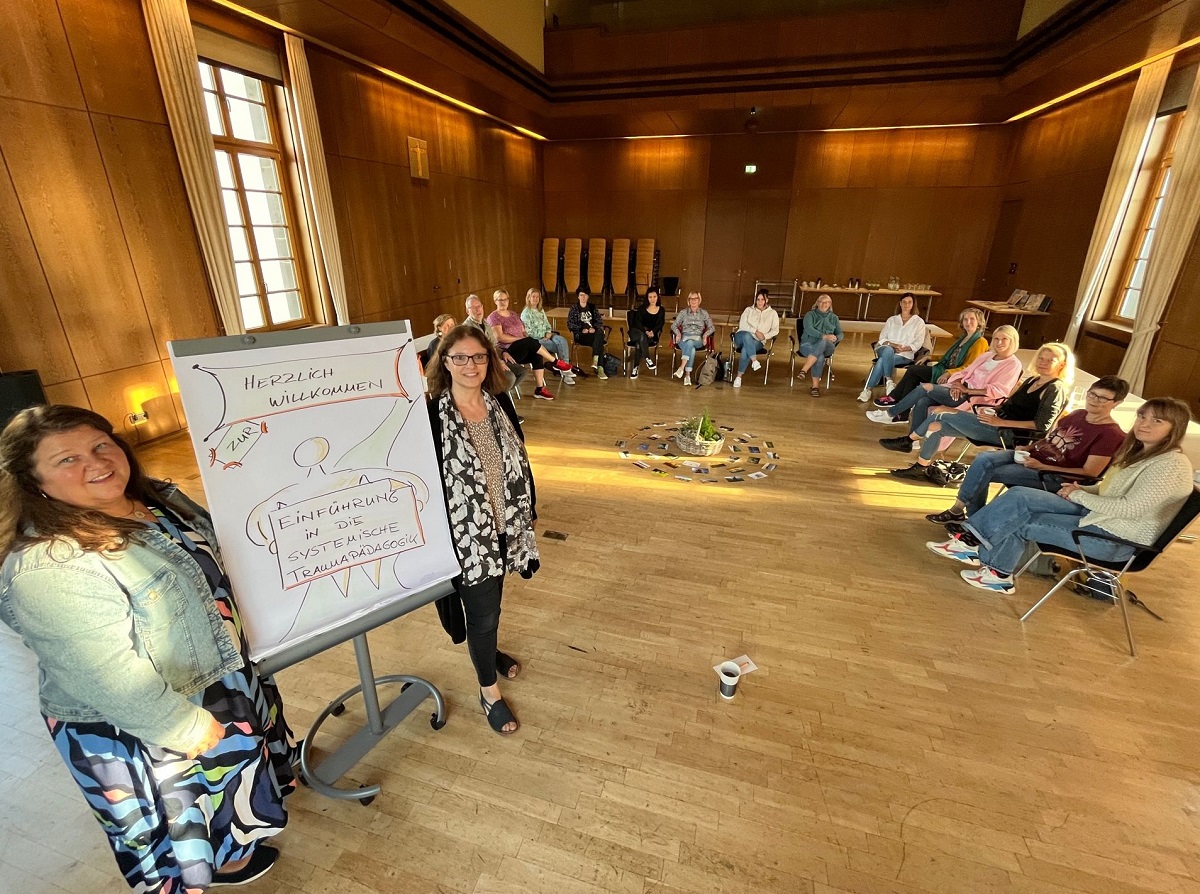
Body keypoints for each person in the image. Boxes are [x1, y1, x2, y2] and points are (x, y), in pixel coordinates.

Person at [0, 405, 297, 892]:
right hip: (149, 714)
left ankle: (235, 853)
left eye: (100, 445)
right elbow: (103, 675)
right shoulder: (49, 562)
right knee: (190, 801)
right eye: (66, 459)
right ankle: (215, 866)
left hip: (215, 671)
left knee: (227, 785)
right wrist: (178, 725)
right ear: (35, 483)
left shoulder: (154, 497)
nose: (95, 462)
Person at [926, 397, 1195, 593]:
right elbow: (1108, 491)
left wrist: (1078, 496)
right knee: (1021, 495)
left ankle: (997, 574)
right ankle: (972, 540)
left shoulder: (1170, 465)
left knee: (1023, 521)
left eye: (1156, 420)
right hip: (1098, 517)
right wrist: (1080, 490)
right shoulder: (1142, 453)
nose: (1144, 424)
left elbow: (1130, 509)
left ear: (1175, 428)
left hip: (1114, 540)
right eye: (1142, 416)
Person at [425, 326, 540, 734]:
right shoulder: (431, 416)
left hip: (506, 523)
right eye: (460, 357)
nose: (470, 365)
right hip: (465, 538)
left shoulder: (499, 404)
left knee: (493, 603)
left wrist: (529, 511)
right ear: (445, 363)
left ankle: (487, 653)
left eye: (478, 357)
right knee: (483, 612)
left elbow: (520, 458)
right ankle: (487, 691)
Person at [926, 376, 1130, 524]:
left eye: (1103, 398)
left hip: (1052, 475)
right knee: (983, 459)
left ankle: (961, 513)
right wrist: (1029, 447)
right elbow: (1050, 439)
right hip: (1033, 458)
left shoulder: (1111, 434)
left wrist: (1040, 464)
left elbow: (1090, 473)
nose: (1094, 400)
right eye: (1092, 394)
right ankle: (970, 514)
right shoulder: (1077, 414)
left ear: (1117, 403)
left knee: (985, 471)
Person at [889, 341, 1075, 482]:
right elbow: (1010, 404)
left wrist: (1002, 423)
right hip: (995, 422)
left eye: (1050, 360)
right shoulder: (1032, 380)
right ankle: (921, 467)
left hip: (1010, 434)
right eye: (1041, 358)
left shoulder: (1055, 389)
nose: (1043, 362)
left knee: (940, 413)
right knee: (938, 426)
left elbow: (1042, 425)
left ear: (1061, 364)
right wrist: (995, 411)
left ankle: (908, 440)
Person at [869, 324, 1022, 433]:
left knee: (924, 387)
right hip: (958, 389)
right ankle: (911, 440)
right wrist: (957, 382)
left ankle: (891, 414)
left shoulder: (1013, 364)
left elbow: (999, 391)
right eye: (996, 339)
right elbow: (966, 371)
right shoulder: (988, 355)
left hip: (973, 398)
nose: (999, 343)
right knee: (923, 400)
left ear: (1013, 341)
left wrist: (966, 389)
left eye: (1004, 339)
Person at [874, 308, 989, 411]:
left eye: (972, 319)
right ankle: (900, 408)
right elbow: (950, 357)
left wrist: (949, 373)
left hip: (956, 377)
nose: (968, 322)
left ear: (979, 322)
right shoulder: (964, 338)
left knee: (914, 371)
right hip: (945, 370)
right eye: (965, 319)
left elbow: (970, 366)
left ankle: (896, 400)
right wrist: (930, 357)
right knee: (913, 374)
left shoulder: (980, 342)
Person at [488, 288, 575, 399]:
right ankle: (556, 362)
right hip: (507, 351)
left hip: (521, 347)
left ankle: (539, 389)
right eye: (500, 300)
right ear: (495, 301)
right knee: (531, 342)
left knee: (536, 353)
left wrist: (525, 339)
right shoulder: (494, 317)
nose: (503, 302)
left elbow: (524, 331)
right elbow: (500, 337)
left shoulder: (513, 314)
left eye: (505, 299)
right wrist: (520, 339)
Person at [857, 293, 925, 402]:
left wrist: (904, 348)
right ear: (900, 304)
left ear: (913, 304)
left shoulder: (919, 322)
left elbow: (918, 343)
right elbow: (882, 339)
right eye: (904, 302)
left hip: (904, 354)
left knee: (881, 361)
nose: (906, 305)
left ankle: (867, 390)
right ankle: (889, 381)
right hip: (885, 349)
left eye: (909, 302)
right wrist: (893, 345)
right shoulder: (892, 320)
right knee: (887, 350)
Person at [465, 293, 526, 389]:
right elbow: (479, 352)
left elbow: (494, 345)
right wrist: (497, 362)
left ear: (482, 306)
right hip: (483, 364)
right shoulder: (467, 328)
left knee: (521, 371)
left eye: (479, 306)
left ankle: (498, 394)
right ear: (467, 311)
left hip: (495, 358)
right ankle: (497, 397)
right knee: (509, 377)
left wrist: (503, 352)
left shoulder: (485, 323)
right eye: (473, 308)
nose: (477, 310)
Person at [795, 293, 843, 397]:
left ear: (830, 304)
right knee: (820, 356)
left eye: (827, 302)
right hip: (808, 345)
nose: (824, 304)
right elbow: (809, 329)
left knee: (824, 341)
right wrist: (823, 336)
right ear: (817, 303)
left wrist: (836, 338)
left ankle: (804, 370)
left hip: (828, 347)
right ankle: (815, 387)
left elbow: (840, 333)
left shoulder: (834, 317)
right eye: (822, 302)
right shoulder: (810, 315)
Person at [731, 287, 780, 388]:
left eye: (762, 299)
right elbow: (742, 325)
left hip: (758, 341)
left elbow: (775, 330)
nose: (760, 302)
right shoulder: (749, 310)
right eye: (758, 299)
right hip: (742, 336)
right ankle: (754, 360)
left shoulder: (773, 313)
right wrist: (755, 331)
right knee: (746, 335)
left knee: (746, 349)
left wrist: (764, 336)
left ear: (767, 300)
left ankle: (739, 377)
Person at [521, 288, 576, 374]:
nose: (535, 299)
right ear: (528, 298)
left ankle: (564, 367)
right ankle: (566, 369)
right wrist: (543, 336)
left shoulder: (541, 310)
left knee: (562, 340)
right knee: (559, 347)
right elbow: (529, 332)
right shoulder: (526, 313)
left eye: (537, 297)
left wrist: (548, 333)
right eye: (533, 297)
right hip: (536, 339)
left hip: (547, 335)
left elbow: (547, 325)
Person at [671, 291, 715, 386]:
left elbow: (712, 327)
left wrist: (705, 335)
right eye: (691, 299)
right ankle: (687, 376)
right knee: (691, 348)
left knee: (690, 343)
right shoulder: (683, 312)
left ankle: (682, 368)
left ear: (699, 300)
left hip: (698, 338)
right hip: (684, 338)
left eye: (696, 299)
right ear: (688, 301)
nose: (694, 301)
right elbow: (674, 325)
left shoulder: (704, 313)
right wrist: (678, 334)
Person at [566, 288, 609, 379]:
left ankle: (596, 360)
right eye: (581, 295)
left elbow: (599, 321)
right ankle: (600, 368)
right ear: (578, 296)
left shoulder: (592, 307)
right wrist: (582, 329)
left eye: (585, 295)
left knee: (599, 335)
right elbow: (570, 323)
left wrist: (593, 328)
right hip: (581, 335)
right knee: (599, 341)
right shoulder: (574, 308)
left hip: (593, 333)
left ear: (588, 297)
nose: (583, 297)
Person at [626, 286, 667, 379]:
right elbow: (637, 323)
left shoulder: (661, 310)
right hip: (636, 332)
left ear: (657, 297)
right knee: (640, 336)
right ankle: (647, 358)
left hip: (650, 335)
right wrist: (645, 331)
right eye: (650, 297)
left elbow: (661, 323)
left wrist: (653, 331)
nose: (652, 299)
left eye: (654, 297)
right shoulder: (642, 308)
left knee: (638, 345)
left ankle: (635, 368)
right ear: (647, 298)